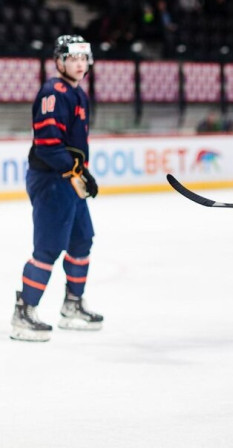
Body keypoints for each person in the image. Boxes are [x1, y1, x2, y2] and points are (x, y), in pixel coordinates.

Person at [11, 35, 103, 342]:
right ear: (60, 60)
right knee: (48, 248)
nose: (79, 63)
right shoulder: (53, 92)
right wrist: (77, 171)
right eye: (73, 58)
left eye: (83, 58)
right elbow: (49, 146)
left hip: (68, 178)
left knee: (81, 241)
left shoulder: (78, 94)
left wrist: (81, 173)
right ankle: (24, 313)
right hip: (51, 180)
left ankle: (72, 306)